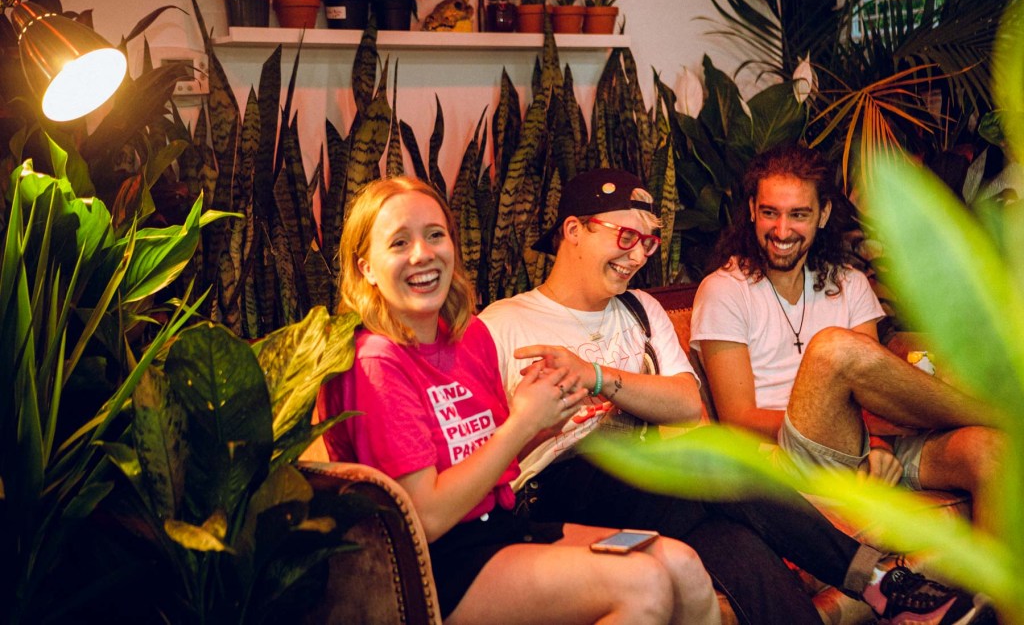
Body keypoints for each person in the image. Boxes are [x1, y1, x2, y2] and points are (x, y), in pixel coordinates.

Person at [480, 167, 994, 625]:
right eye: (626, 237)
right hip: (557, 486)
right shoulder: (503, 323)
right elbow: (480, 454)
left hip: (647, 482)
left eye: (648, 243)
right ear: (574, 230)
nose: (636, 256)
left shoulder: (640, 310)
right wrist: (541, 420)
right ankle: (880, 578)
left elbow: (686, 403)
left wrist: (596, 376)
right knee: (706, 455)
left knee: (738, 546)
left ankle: (883, 588)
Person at [317, 176, 721, 625]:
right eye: (399, 242)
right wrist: (522, 424)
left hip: (503, 528)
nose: (422, 254)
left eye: (435, 235)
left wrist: (547, 423)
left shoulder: (469, 336)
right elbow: (426, 518)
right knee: (642, 582)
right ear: (367, 268)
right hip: (435, 562)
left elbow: (494, 460)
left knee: (683, 564)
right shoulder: (375, 362)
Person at [689, 144, 1001, 526]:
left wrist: (878, 445)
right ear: (753, 210)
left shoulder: (849, 283)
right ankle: (1000, 414)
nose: (782, 230)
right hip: (789, 451)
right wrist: (844, 429)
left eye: (799, 214)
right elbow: (738, 418)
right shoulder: (724, 290)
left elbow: (874, 386)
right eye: (770, 213)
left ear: (823, 214)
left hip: (866, 440)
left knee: (990, 452)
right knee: (833, 348)